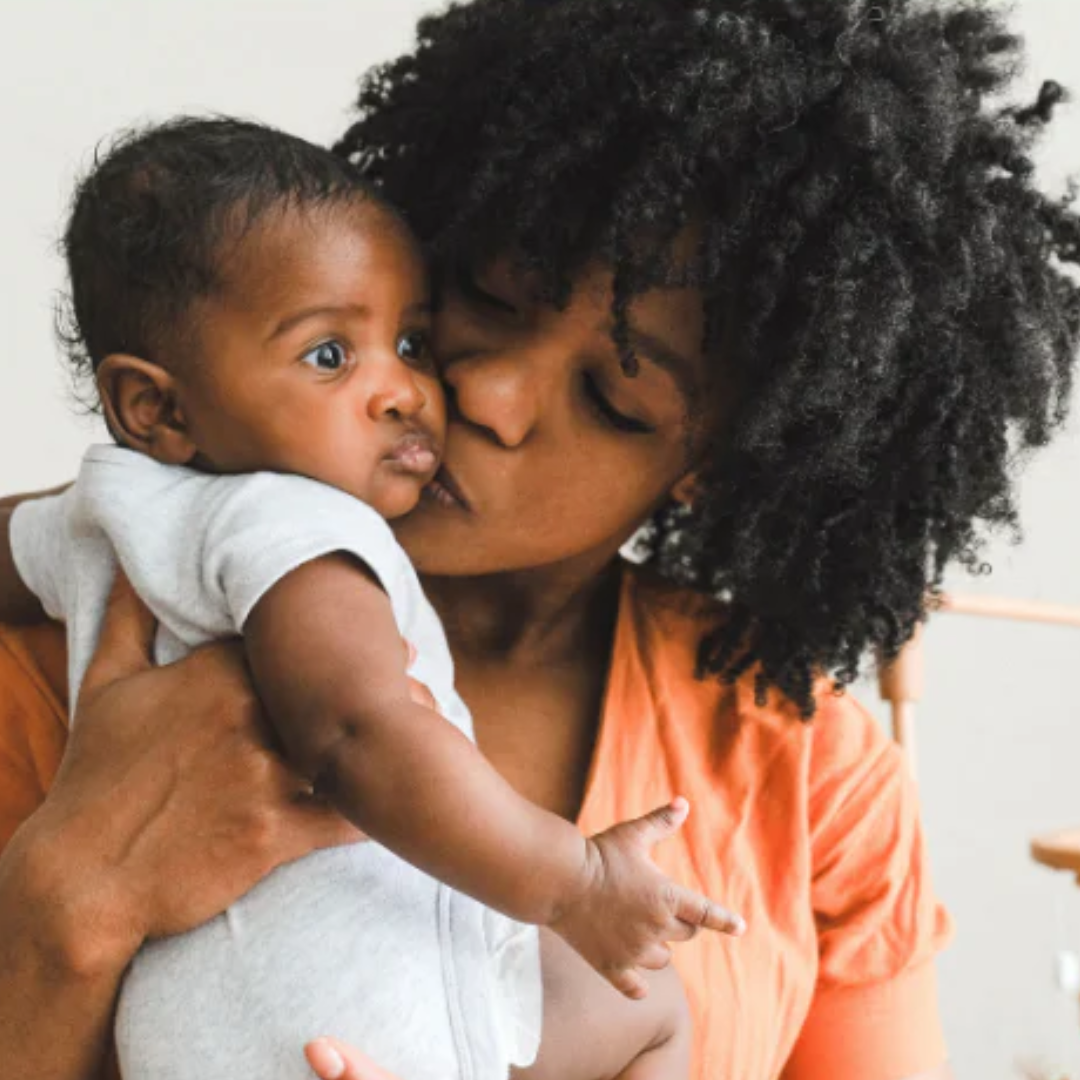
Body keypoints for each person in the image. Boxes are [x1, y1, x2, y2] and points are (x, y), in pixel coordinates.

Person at [2, 0, 1077, 1077]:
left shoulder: (805, 771)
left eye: (613, 398)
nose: (486, 394)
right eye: (485, 299)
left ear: (711, 467)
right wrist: (69, 902)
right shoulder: (82, 664)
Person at [0, 116, 722, 1080]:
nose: (410, 392)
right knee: (654, 1007)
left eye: (411, 340)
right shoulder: (300, 532)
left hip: (207, 1032)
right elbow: (355, 732)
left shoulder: (110, 506)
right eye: (330, 357)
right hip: (341, 1024)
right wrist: (575, 879)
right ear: (159, 409)